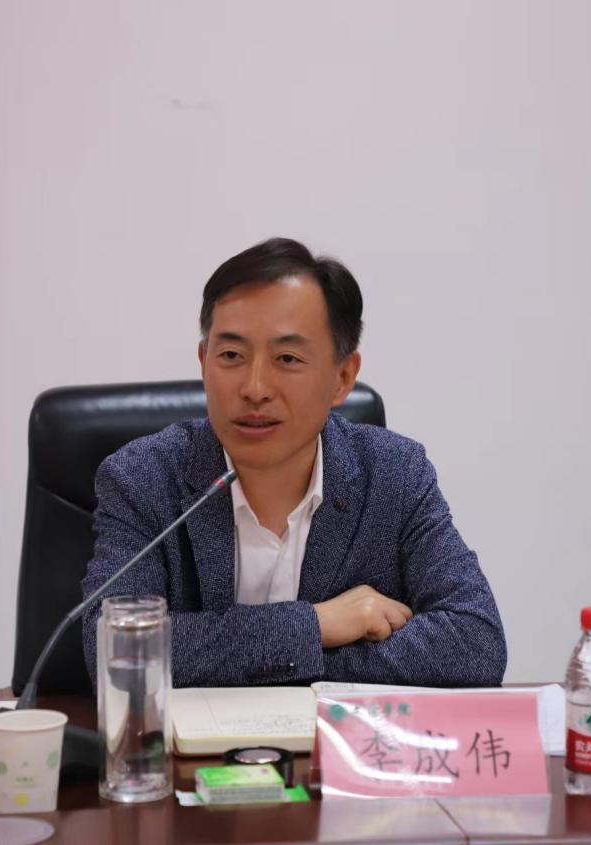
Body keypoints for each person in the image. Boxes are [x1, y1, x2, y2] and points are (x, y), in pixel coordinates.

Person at [81, 237, 505, 688]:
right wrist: (317, 626)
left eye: (287, 358)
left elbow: (475, 643)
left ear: (342, 378)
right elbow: (115, 650)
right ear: (204, 362)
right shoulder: (143, 479)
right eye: (231, 356)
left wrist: (274, 662)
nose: (255, 388)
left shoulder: (395, 475)